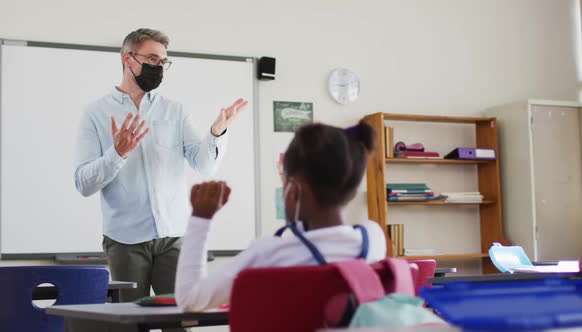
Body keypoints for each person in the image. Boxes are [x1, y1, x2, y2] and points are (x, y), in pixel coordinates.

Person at [74, 28, 248, 304]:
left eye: (163, 62)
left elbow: (203, 165)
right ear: (128, 58)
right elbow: (83, 184)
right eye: (152, 59)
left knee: (182, 318)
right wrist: (117, 153)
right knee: (129, 322)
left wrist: (217, 132)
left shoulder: (174, 111)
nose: (159, 67)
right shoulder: (95, 114)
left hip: (174, 237)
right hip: (125, 240)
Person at [175, 121, 386, 311]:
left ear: (294, 190)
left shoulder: (267, 254)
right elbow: (324, 242)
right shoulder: (373, 240)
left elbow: (189, 298)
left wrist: (200, 219)